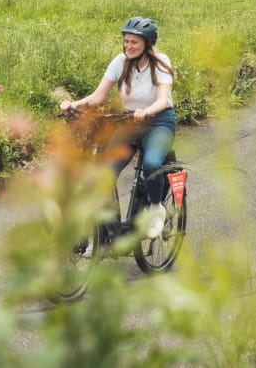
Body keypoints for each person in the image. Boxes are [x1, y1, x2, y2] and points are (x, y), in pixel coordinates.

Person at [60, 16, 175, 239]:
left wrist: (147, 111)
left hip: (159, 122)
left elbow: (162, 100)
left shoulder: (161, 62)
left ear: (147, 44)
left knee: (152, 163)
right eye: (126, 41)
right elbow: (97, 96)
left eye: (134, 42)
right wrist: (73, 105)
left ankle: (155, 208)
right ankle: (110, 230)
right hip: (129, 123)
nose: (128, 46)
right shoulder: (119, 62)